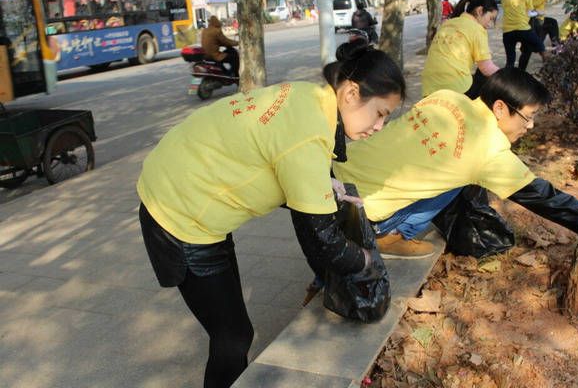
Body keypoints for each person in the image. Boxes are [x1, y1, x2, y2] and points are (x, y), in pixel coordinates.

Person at [137, 39, 406, 388]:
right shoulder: (310, 132)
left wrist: (322, 183)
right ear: (352, 93)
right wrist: (366, 258)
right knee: (233, 336)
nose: (379, 126)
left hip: (184, 188)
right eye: (380, 113)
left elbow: (274, 154)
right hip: (179, 216)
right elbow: (323, 241)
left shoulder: (309, 97)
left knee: (232, 328)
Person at [332, 68, 578, 258]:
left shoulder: (444, 97)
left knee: (450, 171)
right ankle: (393, 235)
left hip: (332, 178)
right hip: (362, 215)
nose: (530, 126)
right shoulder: (489, 151)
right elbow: (546, 199)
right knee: (458, 180)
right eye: (528, 117)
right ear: (500, 107)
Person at [421, 0, 500, 99]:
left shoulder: (448, 23)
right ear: (480, 10)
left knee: (477, 77)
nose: (489, 24)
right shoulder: (477, 29)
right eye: (490, 18)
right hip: (454, 86)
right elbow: (486, 68)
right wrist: (508, 76)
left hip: (429, 86)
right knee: (490, 89)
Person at [501, 0, 548, 70]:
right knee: (539, 43)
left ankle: (508, 75)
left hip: (507, 31)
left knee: (510, 59)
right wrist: (538, 13)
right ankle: (547, 62)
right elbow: (529, 12)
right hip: (522, 28)